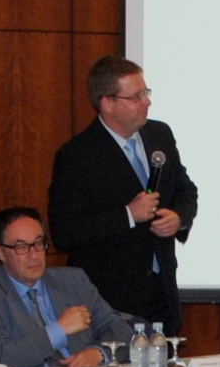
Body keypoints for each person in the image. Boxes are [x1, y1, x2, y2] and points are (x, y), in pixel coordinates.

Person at [49, 55, 197, 333]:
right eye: (136, 96)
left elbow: (186, 189)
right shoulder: (77, 156)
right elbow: (65, 232)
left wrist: (179, 217)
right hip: (113, 304)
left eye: (146, 92)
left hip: (163, 295)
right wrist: (128, 215)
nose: (147, 102)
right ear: (107, 103)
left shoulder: (160, 134)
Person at [0, 206, 133, 367]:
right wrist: (59, 330)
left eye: (38, 243)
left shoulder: (73, 281)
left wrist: (98, 353)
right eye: (21, 247)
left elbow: (121, 329)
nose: (34, 255)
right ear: (0, 252)